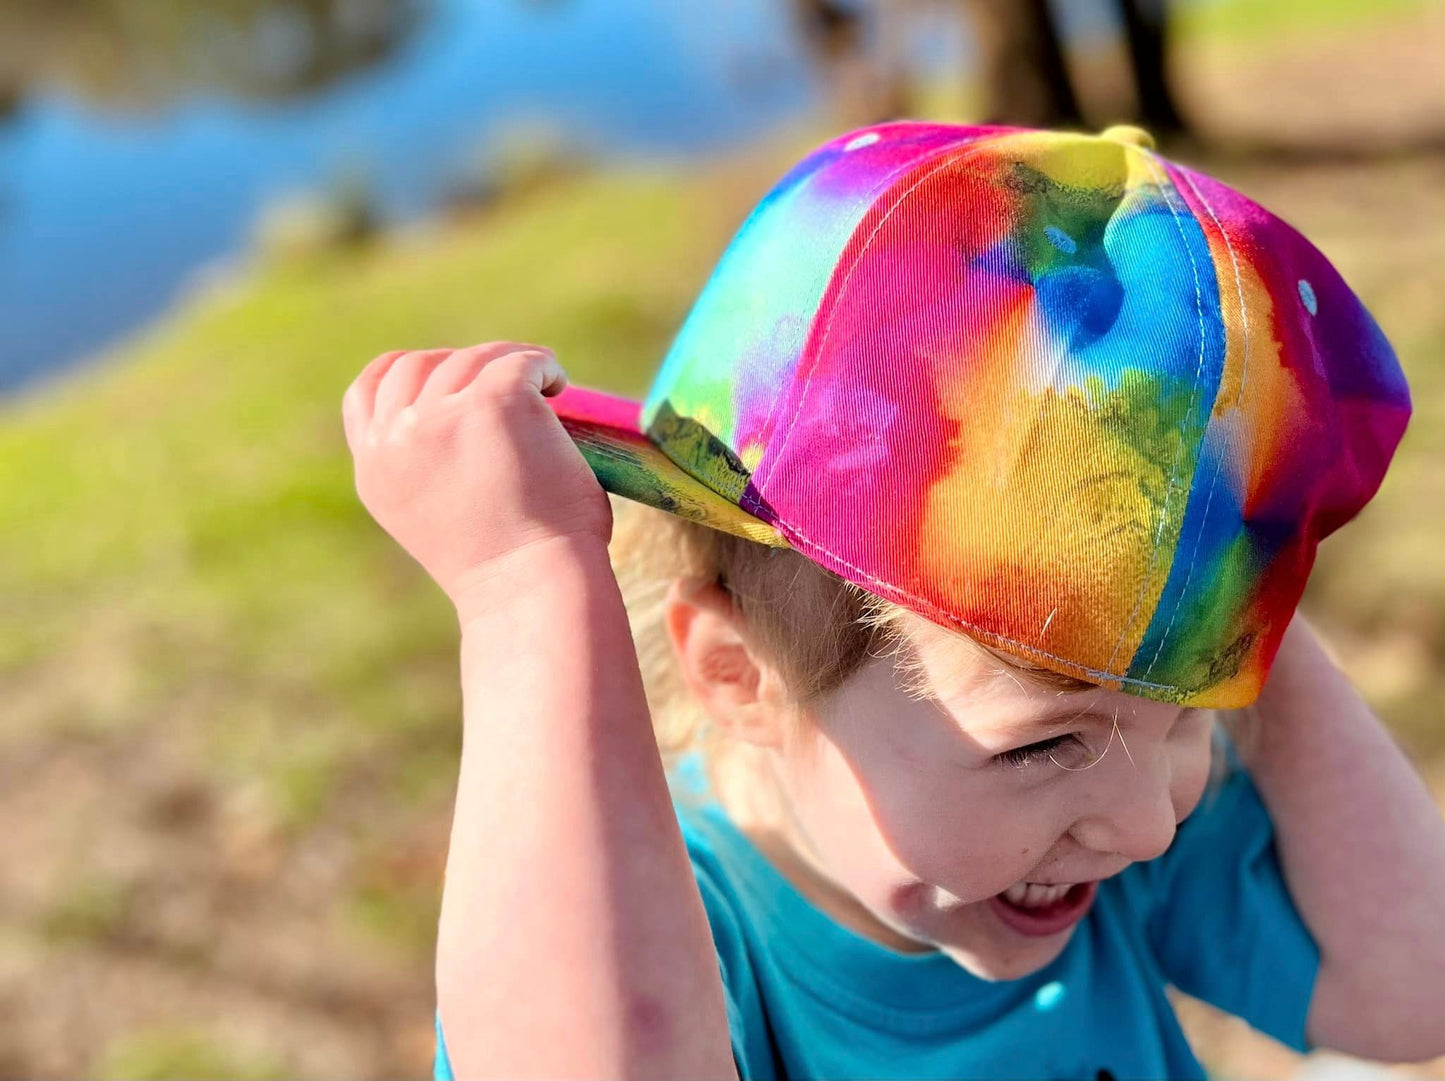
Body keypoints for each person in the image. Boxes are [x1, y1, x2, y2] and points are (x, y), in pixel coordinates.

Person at [340, 122, 1445, 1079]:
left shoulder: (1086, 849)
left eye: (1188, 709)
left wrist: (1216, 562)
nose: (1150, 822)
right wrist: (520, 590)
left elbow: (1411, 985)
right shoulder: (687, 930)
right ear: (738, 676)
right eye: (1038, 743)